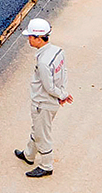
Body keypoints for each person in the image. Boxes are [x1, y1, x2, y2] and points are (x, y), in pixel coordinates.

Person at [14, 18, 70, 178]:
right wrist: (63, 92)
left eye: (30, 36)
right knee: (38, 128)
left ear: (39, 38)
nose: (29, 39)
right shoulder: (58, 51)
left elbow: (48, 86)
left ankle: (46, 165)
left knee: (42, 134)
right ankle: (29, 154)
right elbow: (64, 73)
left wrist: (62, 95)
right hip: (52, 101)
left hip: (43, 103)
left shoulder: (44, 62)